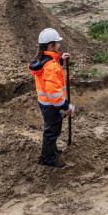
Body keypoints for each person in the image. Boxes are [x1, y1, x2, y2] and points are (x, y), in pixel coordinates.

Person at [28, 28, 75, 168]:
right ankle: (47, 158)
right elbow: (54, 93)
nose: (59, 45)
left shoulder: (41, 58)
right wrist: (65, 107)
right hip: (52, 105)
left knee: (52, 129)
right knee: (52, 132)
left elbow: (47, 66)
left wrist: (59, 59)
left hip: (45, 103)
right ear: (51, 45)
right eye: (57, 43)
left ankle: (52, 150)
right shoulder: (52, 68)